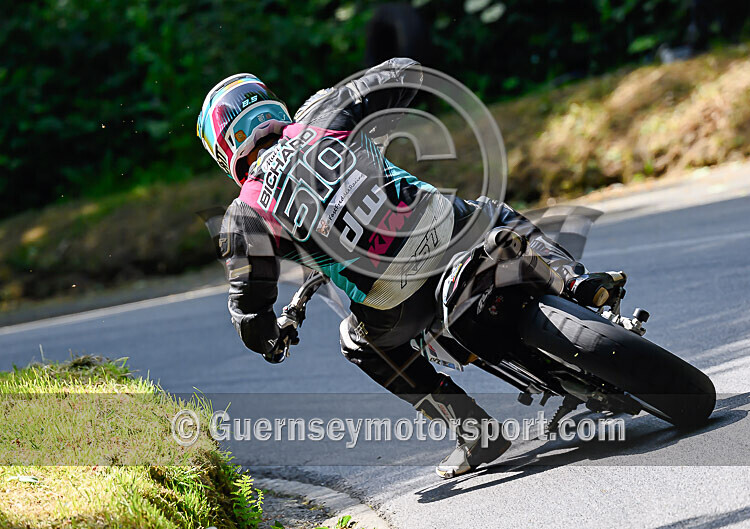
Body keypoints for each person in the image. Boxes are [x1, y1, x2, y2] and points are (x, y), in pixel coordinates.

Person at [197, 58, 618, 478]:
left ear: (224, 149)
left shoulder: (244, 213)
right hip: (449, 229)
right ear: (272, 106)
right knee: (494, 215)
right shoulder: (323, 115)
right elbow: (404, 70)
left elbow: (249, 308)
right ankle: (574, 281)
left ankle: (475, 431)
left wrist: (270, 339)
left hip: (394, 299)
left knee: (358, 344)